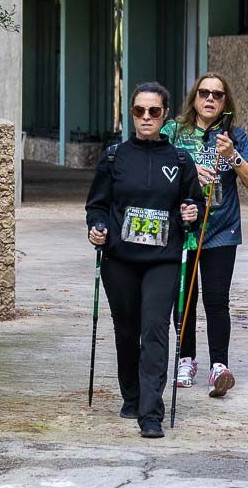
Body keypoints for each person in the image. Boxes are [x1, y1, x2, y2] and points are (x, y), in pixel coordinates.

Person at [85, 83, 203, 439]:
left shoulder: (180, 160)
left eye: (153, 111)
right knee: (127, 328)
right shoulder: (114, 157)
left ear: (165, 115)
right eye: (140, 111)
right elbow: (97, 205)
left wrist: (190, 212)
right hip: (120, 258)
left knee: (154, 328)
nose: (146, 117)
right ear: (132, 114)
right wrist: (98, 228)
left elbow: (193, 205)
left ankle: (150, 411)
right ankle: (132, 395)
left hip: (163, 259)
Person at [162, 73, 248, 397]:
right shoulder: (174, 132)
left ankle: (219, 365)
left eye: (217, 95)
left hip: (221, 229)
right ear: (194, 97)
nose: (210, 99)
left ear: (224, 102)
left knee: (217, 299)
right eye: (204, 92)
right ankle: (186, 359)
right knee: (184, 298)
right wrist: (188, 173)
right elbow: (152, 171)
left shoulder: (233, 135)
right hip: (185, 227)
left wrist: (233, 156)